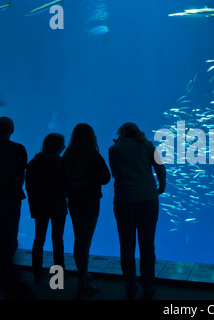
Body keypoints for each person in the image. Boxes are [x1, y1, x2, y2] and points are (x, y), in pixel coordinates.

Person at [109, 122, 166, 300]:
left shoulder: (113, 150)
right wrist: (161, 186)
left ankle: (130, 286)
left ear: (122, 134)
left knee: (127, 247)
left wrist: (119, 146)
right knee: (147, 245)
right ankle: (149, 286)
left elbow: (114, 173)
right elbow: (160, 167)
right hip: (148, 199)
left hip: (124, 200)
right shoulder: (148, 145)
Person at [62, 123, 110, 299]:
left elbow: (61, 178)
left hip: (74, 202)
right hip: (90, 202)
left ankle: (83, 273)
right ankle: (82, 283)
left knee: (79, 240)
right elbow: (106, 178)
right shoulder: (93, 155)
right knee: (85, 241)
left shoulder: (67, 155)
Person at [0, 117, 27, 283]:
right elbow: (21, 173)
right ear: (12, 130)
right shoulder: (18, 149)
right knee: (9, 233)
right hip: (11, 197)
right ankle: (6, 269)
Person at [25, 133, 67, 283]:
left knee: (39, 238)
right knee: (57, 239)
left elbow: (29, 185)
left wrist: (33, 204)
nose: (64, 146)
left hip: (40, 205)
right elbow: (65, 185)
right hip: (57, 205)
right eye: (62, 143)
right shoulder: (60, 163)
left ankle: (37, 270)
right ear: (57, 145)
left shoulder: (35, 162)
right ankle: (59, 274)